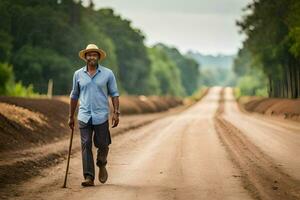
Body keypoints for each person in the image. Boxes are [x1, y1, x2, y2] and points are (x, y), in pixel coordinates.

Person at [68, 44, 120, 187]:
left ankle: (101, 163)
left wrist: (116, 112)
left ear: (98, 57)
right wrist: (71, 116)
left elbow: (114, 94)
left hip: (101, 115)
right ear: (85, 57)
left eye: (94, 55)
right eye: (89, 55)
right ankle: (89, 176)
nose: (92, 57)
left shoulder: (108, 74)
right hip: (84, 116)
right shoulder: (78, 74)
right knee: (85, 144)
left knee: (103, 144)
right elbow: (74, 95)